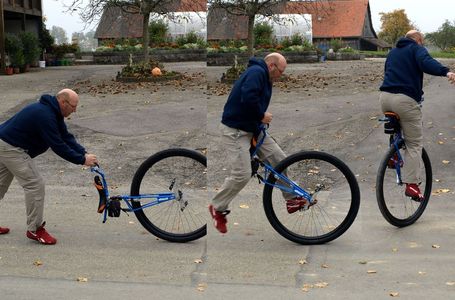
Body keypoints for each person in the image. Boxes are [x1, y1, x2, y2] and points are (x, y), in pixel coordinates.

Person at [209, 53, 308, 234]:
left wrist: (259, 120)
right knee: (242, 174)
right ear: (271, 65)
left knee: (280, 160)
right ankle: (217, 206)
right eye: (281, 71)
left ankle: (291, 198)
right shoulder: (256, 72)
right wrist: (261, 115)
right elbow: (247, 98)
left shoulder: (264, 75)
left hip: (253, 129)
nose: (281, 75)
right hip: (235, 132)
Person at [0, 89, 98, 244]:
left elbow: (65, 137)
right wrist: (81, 160)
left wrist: (84, 153)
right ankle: (35, 229)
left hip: (4, 142)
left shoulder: (52, 112)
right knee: (35, 185)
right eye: (73, 106)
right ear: (63, 102)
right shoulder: (45, 115)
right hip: (10, 148)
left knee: (0, 185)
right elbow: (57, 145)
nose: (75, 110)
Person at [379, 30, 455, 201]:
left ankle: (394, 155)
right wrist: (446, 72)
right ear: (419, 40)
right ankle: (412, 185)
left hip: (384, 98)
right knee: (414, 143)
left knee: (396, 126)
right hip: (405, 100)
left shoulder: (392, 52)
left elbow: (387, 71)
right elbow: (426, 62)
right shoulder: (416, 48)